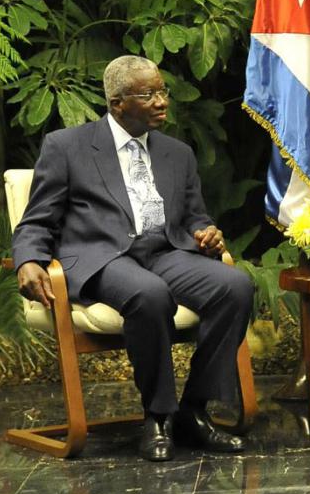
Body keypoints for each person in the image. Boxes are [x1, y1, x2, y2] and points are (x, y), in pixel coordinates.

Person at [13, 55, 254, 462]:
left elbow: (194, 216)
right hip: (102, 256)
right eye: (149, 94)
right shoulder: (67, 146)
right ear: (117, 102)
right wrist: (28, 260)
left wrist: (207, 232)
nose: (162, 101)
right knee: (149, 294)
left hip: (165, 250)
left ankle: (193, 411)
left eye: (163, 92)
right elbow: (38, 219)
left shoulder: (178, 153)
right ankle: (158, 415)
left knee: (234, 285)